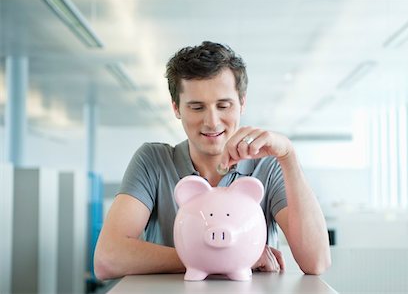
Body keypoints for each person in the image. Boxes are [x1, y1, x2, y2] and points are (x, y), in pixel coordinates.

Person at [94, 41, 331, 280]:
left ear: (242, 103)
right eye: (197, 107)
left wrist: (288, 156)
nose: (212, 121)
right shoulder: (153, 162)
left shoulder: (268, 166)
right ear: (176, 108)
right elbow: (108, 258)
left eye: (223, 105)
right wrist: (233, 256)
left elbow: (317, 260)